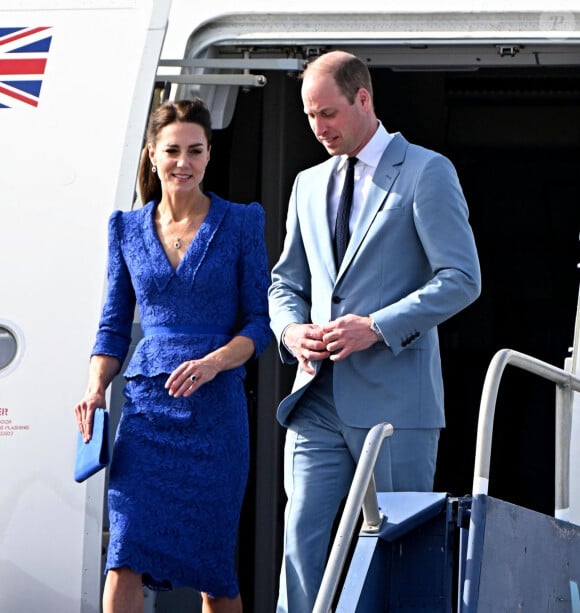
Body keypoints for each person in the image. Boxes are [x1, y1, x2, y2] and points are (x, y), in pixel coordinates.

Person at [268, 50, 481, 612]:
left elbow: (462, 279)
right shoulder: (307, 184)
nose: (319, 128)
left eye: (329, 113)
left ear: (364, 99)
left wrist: (377, 327)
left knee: (401, 554)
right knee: (301, 546)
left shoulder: (427, 171)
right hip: (315, 396)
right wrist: (292, 333)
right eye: (311, 116)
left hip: (396, 405)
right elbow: (284, 283)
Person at [74, 98, 272, 613]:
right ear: (152, 155)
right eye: (172, 150)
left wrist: (215, 361)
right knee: (124, 552)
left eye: (195, 150)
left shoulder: (242, 222)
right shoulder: (125, 228)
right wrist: (96, 387)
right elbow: (113, 327)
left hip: (215, 414)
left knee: (214, 572)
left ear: (208, 155)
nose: (183, 161)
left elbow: (259, 324)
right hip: (145, 415)